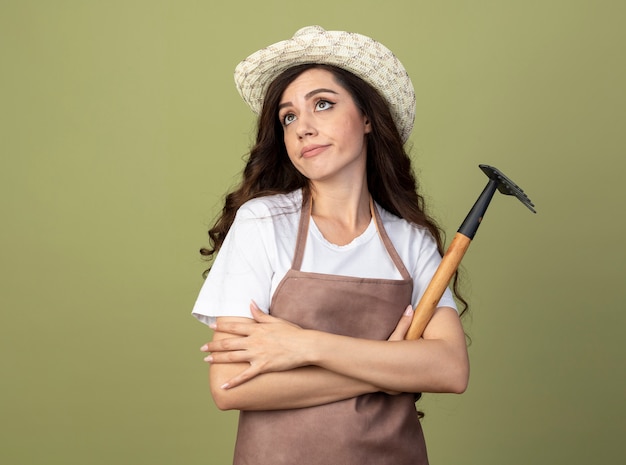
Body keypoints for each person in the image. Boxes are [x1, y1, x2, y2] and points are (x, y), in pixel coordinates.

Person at [192, 26, 469, 465]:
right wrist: (389, 368)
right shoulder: (262, 223)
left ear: (367, 117)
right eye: (289, 117)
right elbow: (231, 386)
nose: (303, 128)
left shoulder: (410, 240)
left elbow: (450, 370)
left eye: (323, 104)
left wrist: (305, 347)